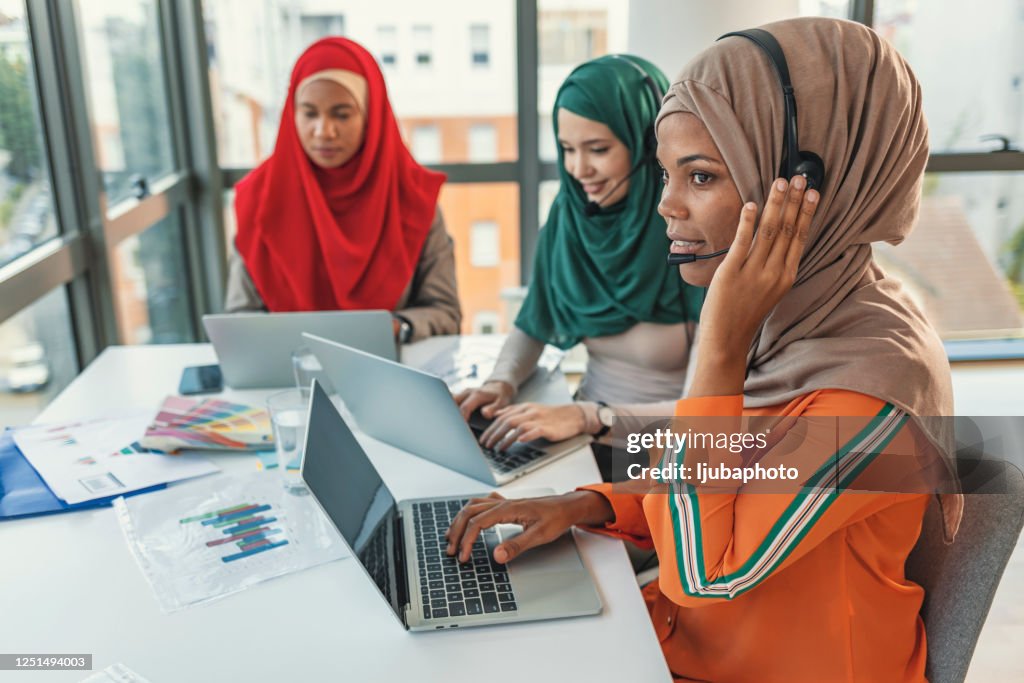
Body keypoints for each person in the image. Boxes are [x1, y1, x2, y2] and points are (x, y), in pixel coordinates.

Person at [445, 18, 962, 682]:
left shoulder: (873, 386)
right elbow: (738, 479)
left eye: (702, 177)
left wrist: (719, 340)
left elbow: (703, 569)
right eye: (666, 174)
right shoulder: (799, 326)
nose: (666, 206)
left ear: (805, 187)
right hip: (687, 646)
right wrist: (590, 504)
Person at [455, 55, 703, 472]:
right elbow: (535, 319)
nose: (578, 169)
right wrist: (501, 381)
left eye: (599, 149)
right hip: (581, 434)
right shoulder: (571, 215)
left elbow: (708, 418)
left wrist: (589, 417)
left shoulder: (691, 230)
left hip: (669, 454)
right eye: (567, 149)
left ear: (647, 142)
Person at [225, 37, 461, 343]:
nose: (324, 131)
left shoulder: (412, 198)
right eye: (309, 113)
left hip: (389, 375)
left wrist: (398, 328)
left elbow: (446, 313)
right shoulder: (259, 200)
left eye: (342, 114)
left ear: (370, 117)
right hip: (286, 379)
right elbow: (238, 318)